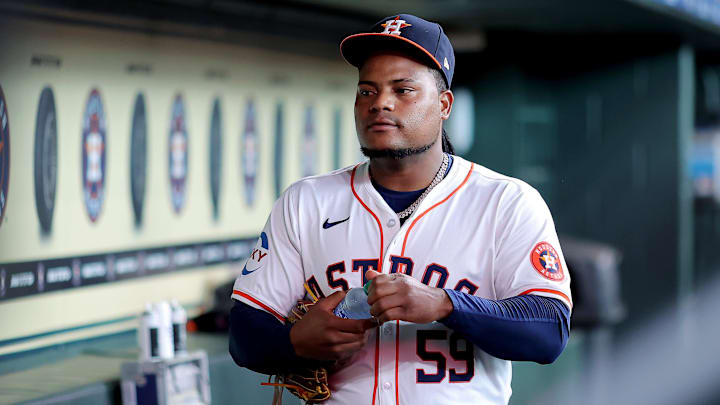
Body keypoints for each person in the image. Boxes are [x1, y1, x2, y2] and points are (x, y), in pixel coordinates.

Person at [229, 13, 571, 405]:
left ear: (444, 105)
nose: (380, 104)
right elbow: (243, 335)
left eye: (403, 90)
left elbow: (549, 330)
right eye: (367, 91)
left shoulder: (506, 202)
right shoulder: (307, 200)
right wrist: (294, 341)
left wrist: (446, 303)